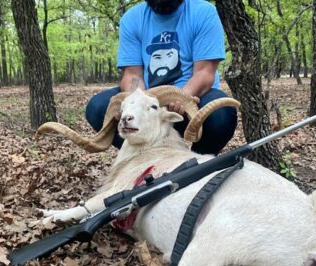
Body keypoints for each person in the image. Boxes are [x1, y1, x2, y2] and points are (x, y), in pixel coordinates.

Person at [86, 0, 237, 155]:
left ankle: (197, 165)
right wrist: (134, 103)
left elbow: (204, 72)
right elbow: (132, 74)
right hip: (147, 100)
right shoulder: (132, 18)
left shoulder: (203, 12)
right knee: (98, 107)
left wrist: (181, 97)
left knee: (221, 114)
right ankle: (145, 155)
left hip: (191, 97)